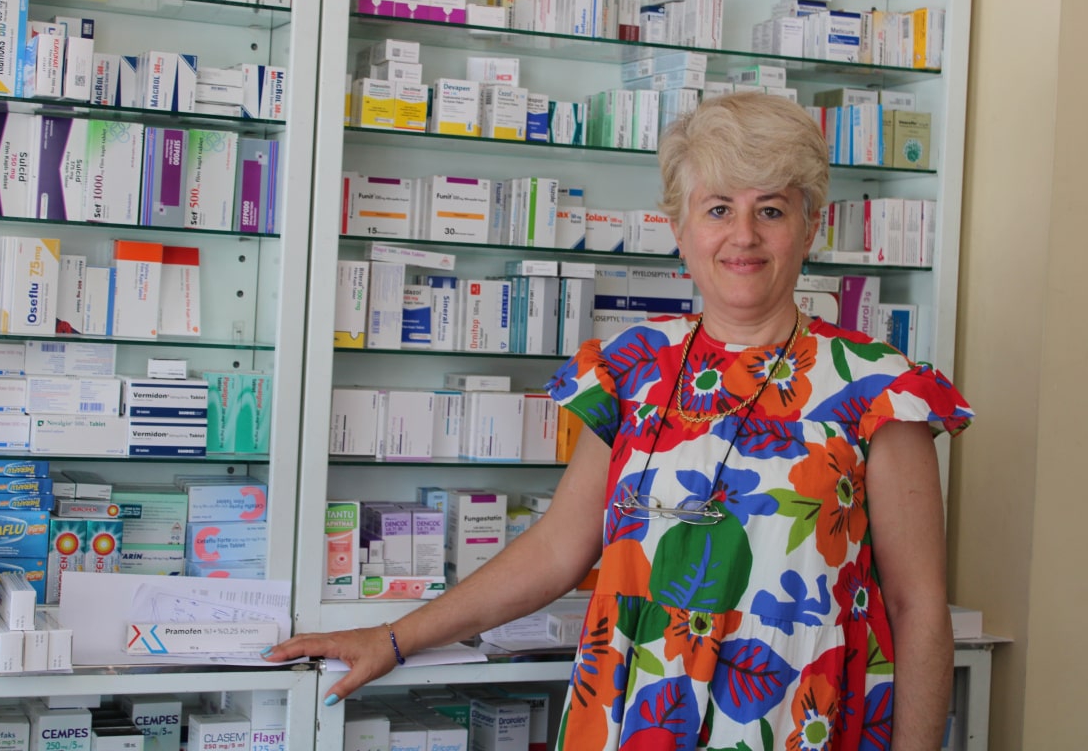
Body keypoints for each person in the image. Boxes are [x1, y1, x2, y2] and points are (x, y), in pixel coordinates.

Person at [263, 92, 973, 749]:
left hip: (796, 719)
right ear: (680, 228)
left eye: (772, 210)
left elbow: (917, 607)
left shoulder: (877, 387)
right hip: (633, 716)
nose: (743, 236)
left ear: (810, 225)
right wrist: (393, 637)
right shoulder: (635, 368)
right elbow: (556, 550)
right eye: (717, 209)